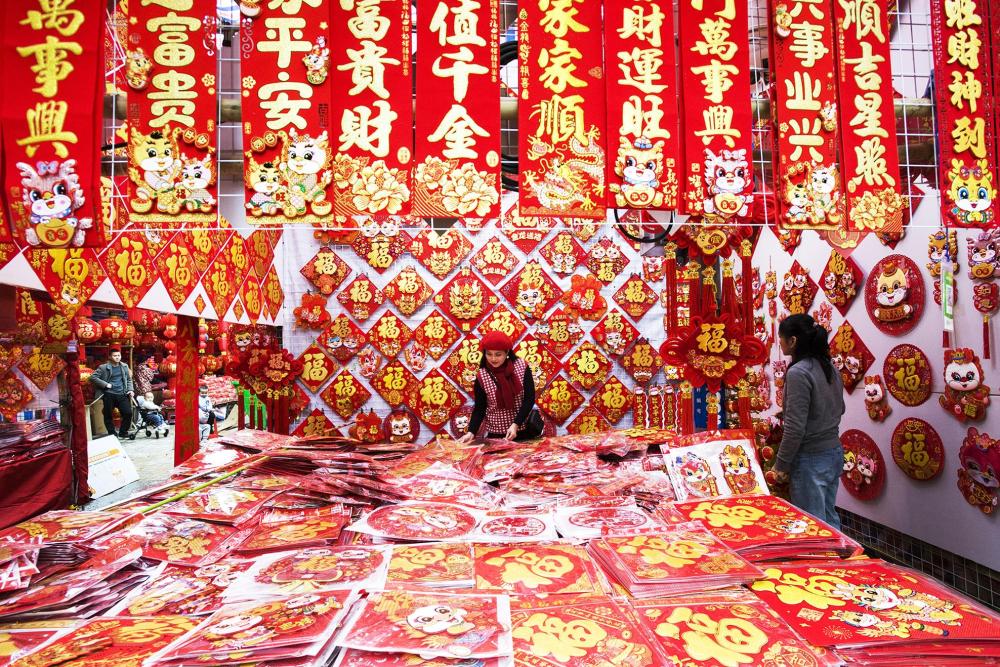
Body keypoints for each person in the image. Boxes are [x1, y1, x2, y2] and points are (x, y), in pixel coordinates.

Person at [773, 313, 846, 529]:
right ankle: (840, 551)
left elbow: (795, 428)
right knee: (829, 518)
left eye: (781, 338)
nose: (780, 343)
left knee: (813, 525)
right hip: (833, 451)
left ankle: (827, 553)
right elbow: (839, 408)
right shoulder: (829, 367)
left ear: (793, 341)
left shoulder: (798, 372)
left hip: (811, 458)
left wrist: (781, 464)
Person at [458, 331, 535, 443]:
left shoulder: (521, 366)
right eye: (489, 354)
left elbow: (529, 398)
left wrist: (516, 424)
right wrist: (471, 432)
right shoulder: (482, 375)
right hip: (495, 435)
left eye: (498, 354)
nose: (493, 359)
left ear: (507, 352)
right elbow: (480, 407)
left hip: (523, 430)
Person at [89, 345, 135, 439]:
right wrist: (105, 384)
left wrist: (130, 389)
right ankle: (112, 433)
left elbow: (128, 379)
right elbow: (92, 377)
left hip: (122, 393)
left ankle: (123, 432)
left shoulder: (124, 366)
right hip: (109, 394)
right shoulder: (103, 367)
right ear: (110, 357)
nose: (117, 357)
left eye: (119, 355)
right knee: (108, 415)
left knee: (128, 413)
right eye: (115, 356)